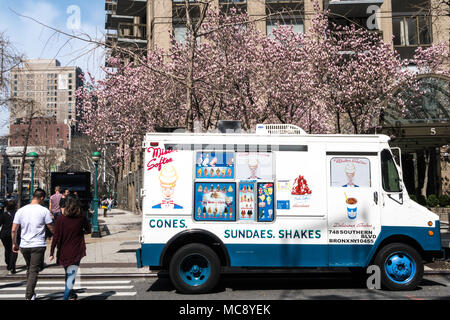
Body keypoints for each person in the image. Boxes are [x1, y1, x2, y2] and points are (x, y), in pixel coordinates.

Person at [12, 189, 54, 300]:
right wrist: (56, 235)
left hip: (24, 245)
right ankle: (29, 296)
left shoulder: (21, 210)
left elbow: (13, 230)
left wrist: (14, 243)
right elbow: (50, 226)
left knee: (30, 268)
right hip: (38, 245)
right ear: (42, 198)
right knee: (34, 270)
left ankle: (32, 293)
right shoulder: (44, 210)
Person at [50, 195, 90, 300]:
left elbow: (56, 237)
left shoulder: (60, 219)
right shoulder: (81, 217)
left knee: (69, 276)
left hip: (63, 252)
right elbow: (88, 229)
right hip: (76, 251)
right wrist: (81, 231)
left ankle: (70, 295)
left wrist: (51, 252)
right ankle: (68, 296)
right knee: (70, 278)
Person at [0, 200, 19, 274]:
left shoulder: (3, 214)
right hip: (14, 234)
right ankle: (12, 266)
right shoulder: (17, 214)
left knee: (7, 249)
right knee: (14, 250)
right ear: (15, 206)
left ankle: (8, 263)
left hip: (4, 234)